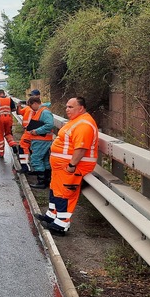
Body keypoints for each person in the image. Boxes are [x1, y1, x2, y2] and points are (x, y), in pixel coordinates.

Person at [37, 97, 98, 234]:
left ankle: (61, 225)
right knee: (55, 190)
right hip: (61, 167)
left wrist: (72, 165)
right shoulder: (75, 122)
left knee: (65, 194)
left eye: (70, 107)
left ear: (81, 108)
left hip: (72, 166)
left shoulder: (84, 124)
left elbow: (81, 148)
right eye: (66, 107)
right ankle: (52, 216)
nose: (67, 109)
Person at [25, 96, 54, 188]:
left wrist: (36, 131)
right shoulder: (41, 111)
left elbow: (49, 125)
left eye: (31, 106)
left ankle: (41, 182)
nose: (31, 109)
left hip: (41, 140)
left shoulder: (44, 112)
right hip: (41, 140)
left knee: (36, 159)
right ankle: (47, 180)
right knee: (45, 160)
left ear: (35, 103)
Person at [0, 89, 17, 158]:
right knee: (8, 133)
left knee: (0, 135)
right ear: (4, 93)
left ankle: (1, 153)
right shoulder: (9, 99)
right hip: (9, 118)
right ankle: (13, 144)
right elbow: (14, 109)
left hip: (0, 119)